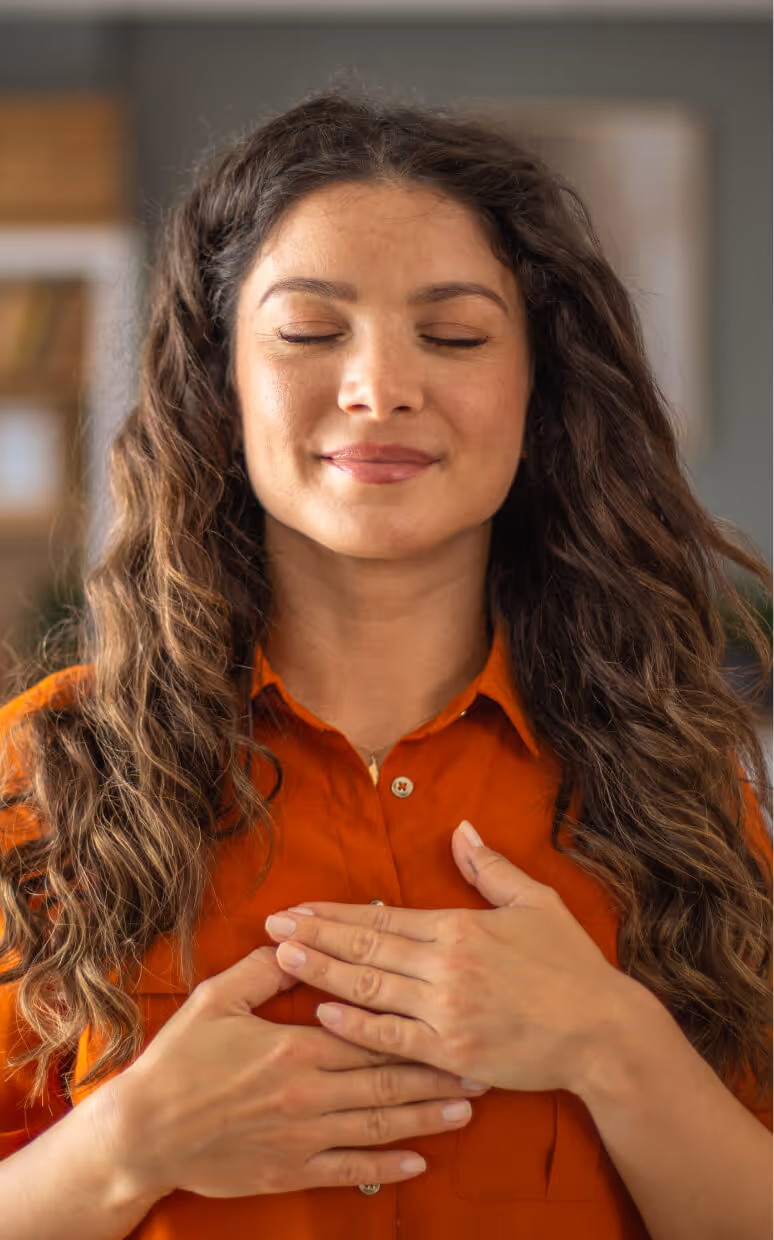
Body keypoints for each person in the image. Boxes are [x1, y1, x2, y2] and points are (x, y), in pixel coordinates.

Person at [0, 84, 771, 1240]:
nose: (379, 387)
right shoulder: (46, 769)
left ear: (536, 387)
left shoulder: (675, 776)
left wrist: (612, 1044)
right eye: (311, 332)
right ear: (222, 380)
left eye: (453, 335)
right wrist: (129, 1147)